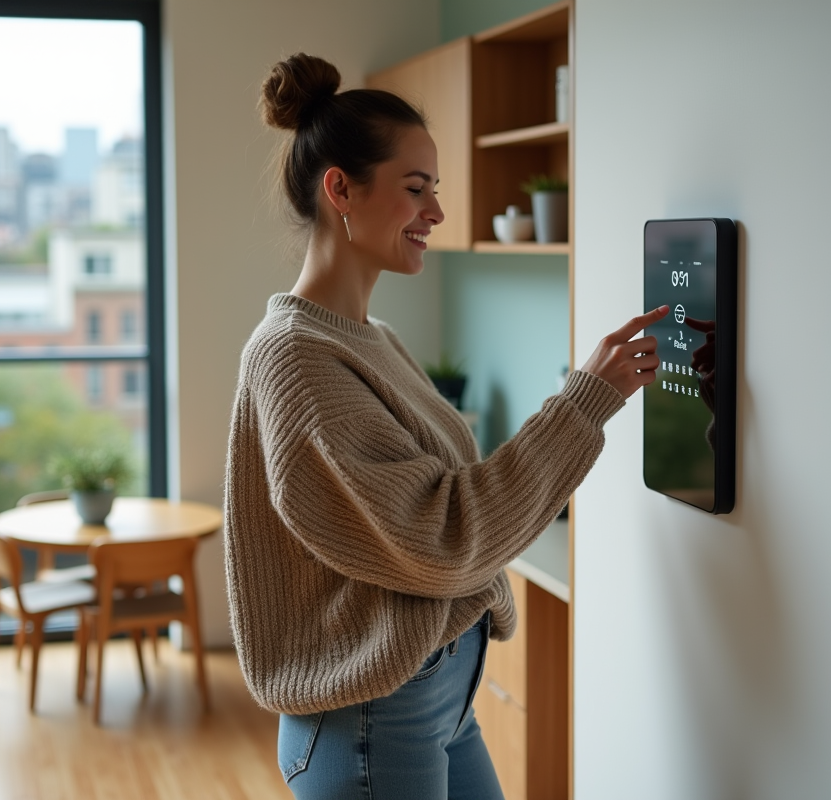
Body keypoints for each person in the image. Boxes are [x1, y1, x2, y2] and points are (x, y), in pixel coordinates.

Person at [224, 53, 669, 799]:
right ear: (341, 189)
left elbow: (443, 496)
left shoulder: (373, 339)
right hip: (370, 716)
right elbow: (440, 537)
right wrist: (583, 403)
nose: (435, 211)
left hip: (433, 697)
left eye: (435, 189)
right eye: (415, 188)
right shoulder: (295, 358)